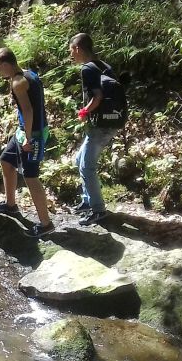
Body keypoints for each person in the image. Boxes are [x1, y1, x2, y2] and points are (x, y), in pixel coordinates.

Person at [0, 48, 54, 237]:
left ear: (5, 65)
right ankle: (11, 205)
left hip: (32, 133)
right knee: (6, 160)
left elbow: (28, 110)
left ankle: (46, 224)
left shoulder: (18, 82)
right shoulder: (27, 73)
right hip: (23, 131)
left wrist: (28, 137)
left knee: (31, 176)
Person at [69, 32, 118, 225]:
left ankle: (99, 210)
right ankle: (87, 201)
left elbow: (97, 97)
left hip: (101, 125)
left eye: (71, 50)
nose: (71, 55)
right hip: (111, 120)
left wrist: (84, 112)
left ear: (78, 49)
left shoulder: (88, 69)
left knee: (86, 166)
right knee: (79, 159)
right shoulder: (103, 65)